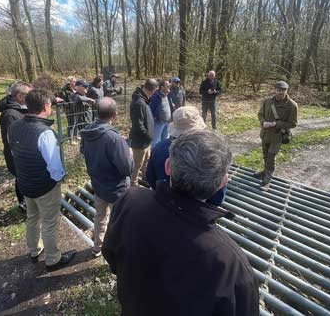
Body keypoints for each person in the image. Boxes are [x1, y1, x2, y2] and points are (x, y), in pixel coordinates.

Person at [102, 131, 259, 316]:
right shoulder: (230, 264)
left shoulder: (130, 200)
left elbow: (111, 255)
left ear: (168, 167)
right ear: (222, 183)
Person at [8, 89, 76, 272]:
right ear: (46, 106)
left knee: (32, 217)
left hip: (25, 183)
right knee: (49, 222)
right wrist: (59, 180)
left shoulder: (14, 126)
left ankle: (33, 249)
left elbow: (14, 152)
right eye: (51, 105)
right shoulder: (45, 132)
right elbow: (54, 166)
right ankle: (53, 259)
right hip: (44, 186)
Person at [80, 97, 133, 257]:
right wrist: (127, 151)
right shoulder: (113, 138)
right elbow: (126, 169)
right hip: (116, 189)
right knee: (121, 220)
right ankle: (120, 250)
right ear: (115, 115)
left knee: (100, 216)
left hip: (98, 184)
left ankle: (98, 247)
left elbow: (83, 150)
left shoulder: (88, 131)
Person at [145, 106, 226, 206]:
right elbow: (217, 198)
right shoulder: (210, 154)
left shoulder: (159, 148)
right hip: (198, 211)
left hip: (164, 204)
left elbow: (151, 178)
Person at [0, 81, 33, 212]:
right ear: (19, 96)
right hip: (18, 156)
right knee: (22, 178)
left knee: (24, 177)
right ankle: (24, 203)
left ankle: (28, 202)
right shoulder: (10, 115)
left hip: (24, 154)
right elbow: (13, 140)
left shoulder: (20, 109)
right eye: (29, 95)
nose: (31, 97)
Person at [254, 81, 298, 186]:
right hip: (265, 133)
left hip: (278, 135)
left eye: (283, 90)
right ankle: (265, 171)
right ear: (275, 89)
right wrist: (263, 122)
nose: (280, 92)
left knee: (271, 155)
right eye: (279, 90)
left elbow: (293, 124)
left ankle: (268, 175)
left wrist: (276, 124)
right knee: (265, 154)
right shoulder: (267, 101)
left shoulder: (292, 105)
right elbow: (260, 114)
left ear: (287, 91)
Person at [129, 78, 157, 186]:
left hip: (147, 141)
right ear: (152, 90)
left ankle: (145, 178)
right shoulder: (138, 103)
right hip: (140, 141)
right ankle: (133, 184)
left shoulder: (144, 99)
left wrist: (149, 137)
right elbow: (138, 125)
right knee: (137, 165)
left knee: (146, 162)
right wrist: (148, 135)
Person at [149, 79, 171, 147]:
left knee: (165, 141)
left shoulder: (166, 95)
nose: (169, 86)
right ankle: (154, 156)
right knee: (155, 142)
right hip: (158, 122)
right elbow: (150, 110)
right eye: (167, 85)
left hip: (167, 122)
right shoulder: (156, 96)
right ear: (162, 87)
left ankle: (162, 156)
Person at [58, 76, 77, 141]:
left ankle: (75, 135)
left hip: (76, 108)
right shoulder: (64, 90)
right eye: (74, 81)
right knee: (71, 124)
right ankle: (70, 139)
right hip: (69, 109)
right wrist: (68, 106)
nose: (75, 82)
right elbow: (63, 100)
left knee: (76, 122)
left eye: (75, 81)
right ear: (70, 82)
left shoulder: (75, 88)